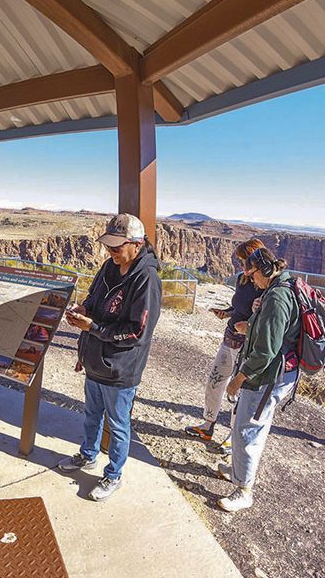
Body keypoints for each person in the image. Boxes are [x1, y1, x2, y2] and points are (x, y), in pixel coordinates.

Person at [58, 213, 161, 502]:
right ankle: (88, 455)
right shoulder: (109, 267)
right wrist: (83, 310)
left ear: (136, 244)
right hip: (95, 359)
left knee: (117, 425)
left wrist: (93, 328)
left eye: (116, 246)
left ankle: (113, 474)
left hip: (120, 368)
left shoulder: (147, 280)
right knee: (91, 414)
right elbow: (93, 299)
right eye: (108, 245)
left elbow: (138, 332)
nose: (110, 251)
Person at [216, 247, 300, 512]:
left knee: (248, 428)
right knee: (248, 425)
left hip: (267, 376)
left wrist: (238, 378)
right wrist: (251, 324)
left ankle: (244, 491)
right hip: (268, 372)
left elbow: (266, 350)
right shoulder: (277, 288)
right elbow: (273, 330)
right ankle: (238, 471)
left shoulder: (277, 297)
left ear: (264, 269)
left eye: (252, 274)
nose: (251, 280)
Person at [185, 239, 264, 452]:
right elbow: (238, 307)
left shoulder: (266, 286)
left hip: (247, 346)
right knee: (215, 381)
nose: (241, 265)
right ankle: (207, 425)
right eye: (239, 261)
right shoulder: (242, 280)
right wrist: (226, 313)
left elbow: (266, 320)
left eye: (244, 261)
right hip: (229, 339)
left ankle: (233, 437)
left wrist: (249, 324)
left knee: (237, 392)